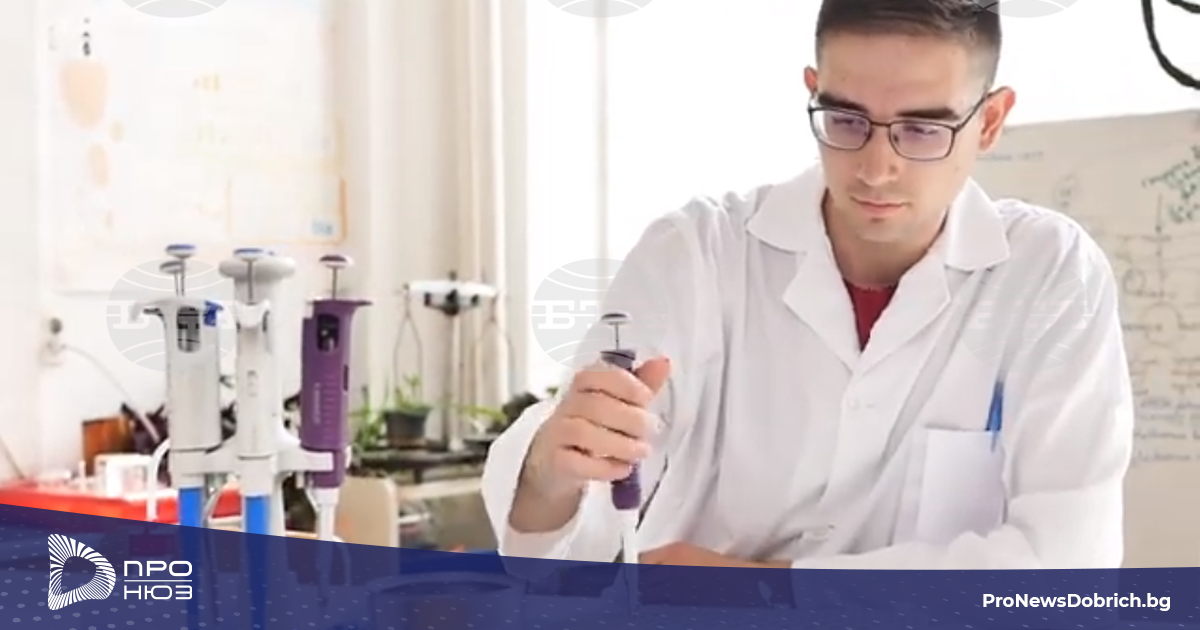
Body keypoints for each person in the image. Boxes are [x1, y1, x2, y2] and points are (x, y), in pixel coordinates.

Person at [481, 0, 1134, 571]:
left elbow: (1067, 567)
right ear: (814, 92)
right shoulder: (697, 254)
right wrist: (551, 469)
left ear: (989, 122)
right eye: (847, 119)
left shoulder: (1048, 275)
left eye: (922, 129)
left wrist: (763, 588)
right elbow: (571, 548)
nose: (877, 168)